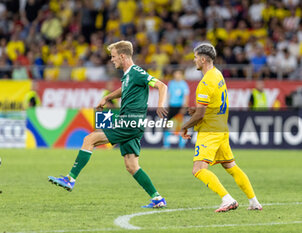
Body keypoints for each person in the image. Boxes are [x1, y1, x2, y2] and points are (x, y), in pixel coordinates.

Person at [48, 40, 168, 208]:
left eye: (113, 57)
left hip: (130, 122)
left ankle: (70, 178)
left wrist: (161, 105)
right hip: (132, 122)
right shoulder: (128, 75)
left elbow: (162, 86)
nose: (111, 60)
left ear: (122, 56)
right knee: (132, 166)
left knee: (90, 139)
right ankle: (157, 198)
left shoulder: (136, 72)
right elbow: (125, 89)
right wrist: (107, 97)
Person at [181, 43, 262, 212]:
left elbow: (200, 115)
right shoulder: (217, 74)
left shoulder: (205, 82)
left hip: (210, 130)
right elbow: (213, 104)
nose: (194, 60)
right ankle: (254, 202)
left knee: (198, 169)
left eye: (195, 57)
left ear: (203, 59)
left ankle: (227, 199)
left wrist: (185, 126)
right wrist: (198, 109)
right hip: (221, 128)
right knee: (231, 166)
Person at [164, 70, 189, 148]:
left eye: (178, 73)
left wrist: (184, 107)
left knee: (180, 126)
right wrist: (167, 105)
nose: (176, 75)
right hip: (171, 106)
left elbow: (186, 96)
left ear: (181, 75)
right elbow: (169, 95)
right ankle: (166, 145)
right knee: (167, 125)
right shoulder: (171, 83)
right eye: (175, 73)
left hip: (179, 107)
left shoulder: (184, 84)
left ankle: (182, 145)